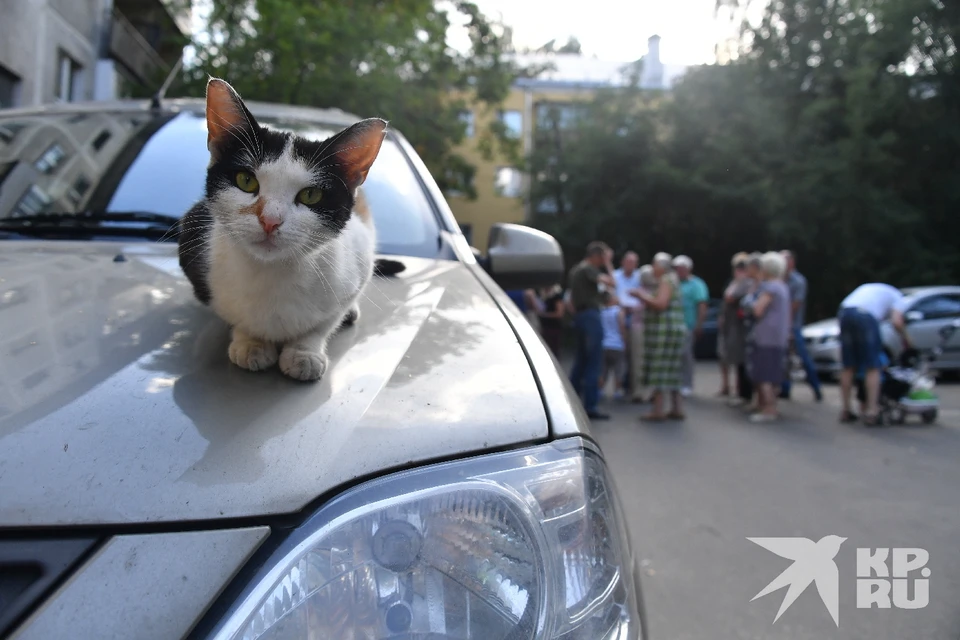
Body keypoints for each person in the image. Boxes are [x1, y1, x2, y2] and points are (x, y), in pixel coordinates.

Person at [837, 283, 913, 425]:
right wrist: (908, 340)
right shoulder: (898, 297)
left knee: (848, 366)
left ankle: (846, 410)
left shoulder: (875, 289)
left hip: (845, 312)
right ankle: (872, 411)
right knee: (872, 366)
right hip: (865, 316)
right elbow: (897, 322)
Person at [634, 252, 688, 421]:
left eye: (654, 264)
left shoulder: (666, 280)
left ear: (662, 266)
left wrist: (640, 295)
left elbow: (660, 304)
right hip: (674, 330)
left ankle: (658, 410)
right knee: (672, 369)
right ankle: (677, 408)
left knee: (660, 367)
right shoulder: (673, 279)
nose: (652, 267)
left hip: (665, 333)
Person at [568, 241, 615, 420]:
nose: (603, 262)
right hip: (590, 317)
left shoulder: (577, 270)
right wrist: (609, 263)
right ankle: (590, 406)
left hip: (581, 316)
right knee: (594, 361)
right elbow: (612, 281)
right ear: (597, 256)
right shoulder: (588, 269)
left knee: (581, 361)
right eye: (603, 258)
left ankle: (572, 402)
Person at [745, 252, 792, 422]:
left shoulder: (770, 287)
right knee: (774, 371)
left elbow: (758, 310)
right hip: (779, 335)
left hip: (766, 335)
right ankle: (771, 406)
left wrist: (749, 302)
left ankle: (768, 409)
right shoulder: (782, 286)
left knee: (764, 372)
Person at [779, 251, 823, 402]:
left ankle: (816, 388)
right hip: (781, 325)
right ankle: (785, 388)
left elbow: (794, 306)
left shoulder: (798, 281)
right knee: (784, 359)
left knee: (802, 357)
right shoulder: (780, 280)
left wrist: (788, 327)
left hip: (793, 325)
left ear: (791, 263)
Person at [673, 255, 709, 397]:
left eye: (681, 268)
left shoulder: (697, 284)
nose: (678, 271)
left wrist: (699, 325)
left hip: (688, 324)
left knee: (685, 354)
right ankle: (676, 383)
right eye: (677, 268)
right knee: (675, 355)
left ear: (688, 269)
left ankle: (687, 384)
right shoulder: (673, 283)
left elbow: (702, 305)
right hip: (674, 325)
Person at [718, 253, 752, 404]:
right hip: (733, 325)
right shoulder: (735, 282)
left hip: (741, 327)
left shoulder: (745, 283)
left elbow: (730, 297)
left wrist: (738, 281)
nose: (738, 270)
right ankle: (739, 392)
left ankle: (744, 394)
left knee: (742, 360)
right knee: (736, 359)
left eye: (742, 267)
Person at [627, 264, 656, 403]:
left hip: (649, 329)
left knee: (648, 361)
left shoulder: (654, 292)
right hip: (639, 328)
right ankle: (638, 391)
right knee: (637, 361)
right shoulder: (639, 291)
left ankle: (649, 391)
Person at [738, 253, 764, 409]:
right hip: (750, 329)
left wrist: (747, 306)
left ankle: (762, 401)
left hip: (759, 330)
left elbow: (754, 308)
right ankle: (756, 399)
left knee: (759, 366)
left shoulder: (763, 286)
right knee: (752, 365)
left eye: (748, 267)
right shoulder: (753, 284)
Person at [613, 252, 642, 394]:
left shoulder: (640, 277)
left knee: (634, 353)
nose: (630, 265)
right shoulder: (614, 276)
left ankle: (631, 385)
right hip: (617, 317)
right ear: (622, 262)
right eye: (628, 262)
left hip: (636, 317)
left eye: (633, 262)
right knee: (619, 352)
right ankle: (620, 385)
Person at [599, 291, 628, 400]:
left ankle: (600, 389)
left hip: (604, 343)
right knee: (618, 369)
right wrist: (624, 340)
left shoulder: (601, 311)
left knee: (603, 369)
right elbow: (622, 327)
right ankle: (617, 390)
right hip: (617, 344)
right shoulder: (618, 311)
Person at [538, 285, 565, 358]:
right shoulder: (543, 295)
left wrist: (545, 315)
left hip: (553, 326)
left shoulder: (556, 296)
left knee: (553, 349)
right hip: (545, 327)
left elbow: (559, 313)